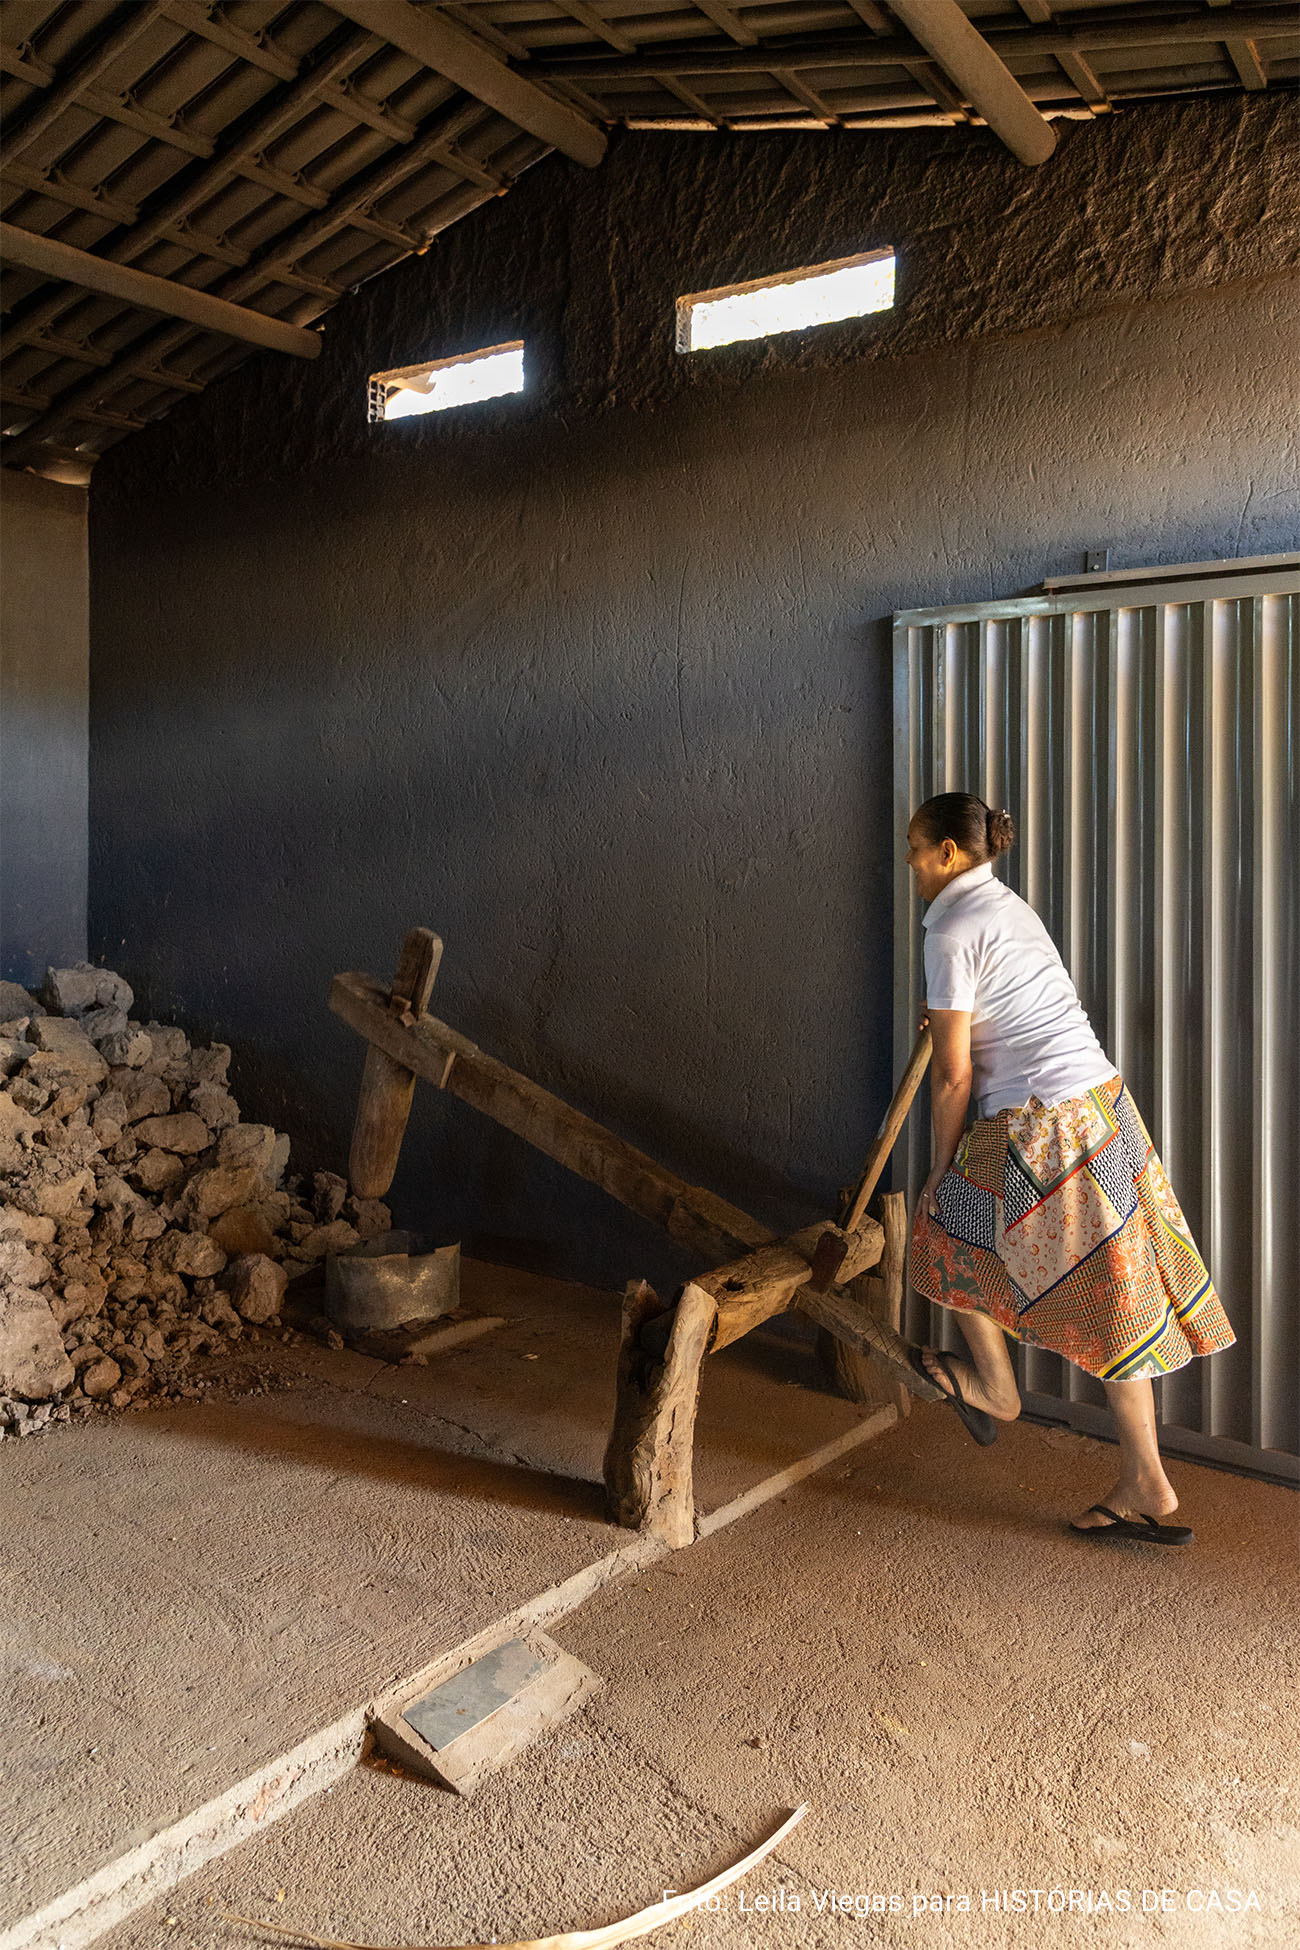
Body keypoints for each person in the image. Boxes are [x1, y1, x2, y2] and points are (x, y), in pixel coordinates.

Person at [904, 791, 1234, 1544]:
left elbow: (954, 1079)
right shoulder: (1006, 907)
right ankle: (1146, 1478)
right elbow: (1012, 1006)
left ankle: (994, 1387)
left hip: (1046, 1124)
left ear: (949, 854)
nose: (913, 864)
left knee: (945, 1226)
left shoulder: (949, 923)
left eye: (918, 849)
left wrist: (940, 1167)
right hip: (1101, 1108)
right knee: (1119, 1289)